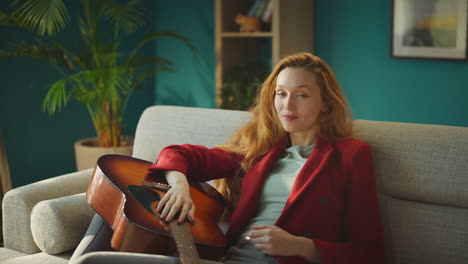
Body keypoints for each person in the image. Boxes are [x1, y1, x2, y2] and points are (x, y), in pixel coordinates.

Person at [73, 52, 384, 264]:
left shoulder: (351, 156)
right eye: (281, 93)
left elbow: (371, 252)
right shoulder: (258, 150)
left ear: (325, 104)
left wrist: (301, 246)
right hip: (224, 258)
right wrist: (178, 184)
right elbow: (179, 154)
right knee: (109, 216)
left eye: (302, 94)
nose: (288, 104)